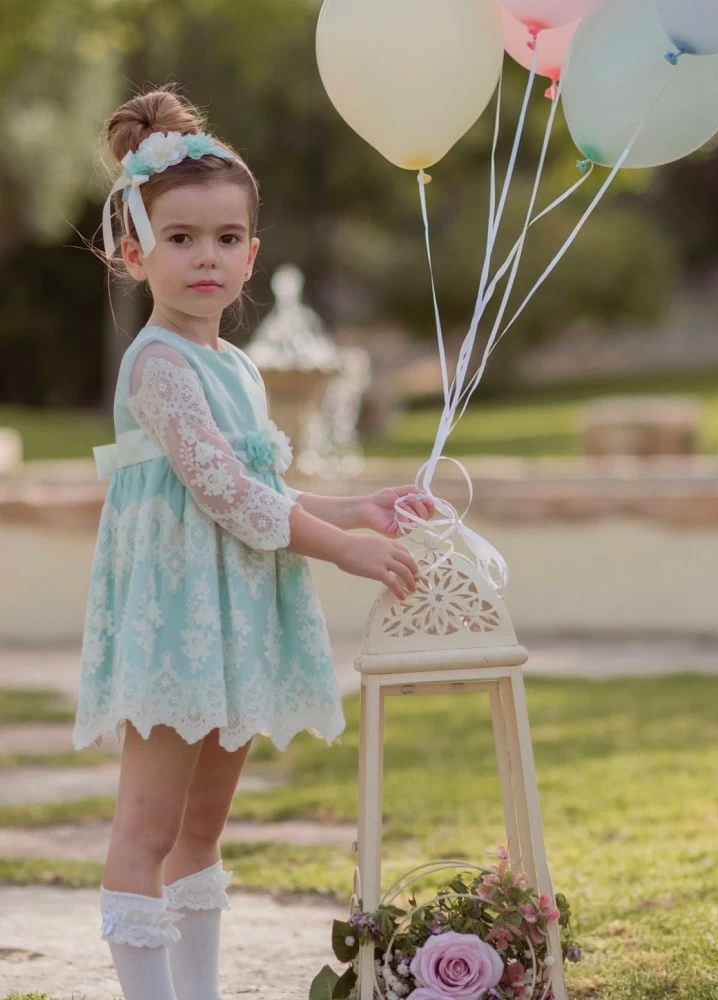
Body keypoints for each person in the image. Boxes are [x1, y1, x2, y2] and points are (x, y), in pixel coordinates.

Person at [72, 84, 436, 1000]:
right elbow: (226, 493)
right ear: (134, 251)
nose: (206, 257)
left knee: (202, 830)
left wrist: (355, 509)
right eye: (181, 239)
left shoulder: (235, 364)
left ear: (253, 255)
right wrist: (339, 552)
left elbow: (263, 486)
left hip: (229, 617)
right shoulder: (157, 364)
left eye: (226, 239)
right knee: (148, 830)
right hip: (176, 623)